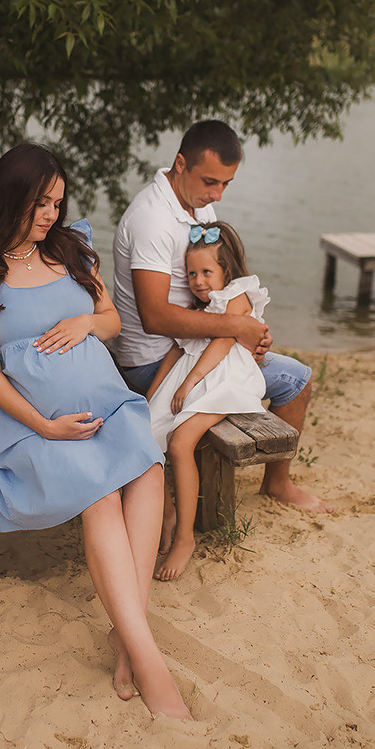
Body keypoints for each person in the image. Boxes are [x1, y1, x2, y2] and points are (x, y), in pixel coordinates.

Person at [0, 142, 190, 719]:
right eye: (39, 203)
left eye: (56, 201)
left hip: (105, 402)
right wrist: (45, 427)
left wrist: (85, 321)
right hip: (31, 422)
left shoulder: (72, 248)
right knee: (100, 494)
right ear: (11, 198)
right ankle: (148, 660)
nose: (50, 214)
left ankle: (129, 638)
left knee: (148, 471)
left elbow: (112, 321)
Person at [112, 119, 332, 551]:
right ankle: (276, 484)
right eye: (210, 181)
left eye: (226, 184)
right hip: (154, 359)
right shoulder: (152, 219)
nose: (217, 195)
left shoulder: (199, 209)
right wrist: (236, 327)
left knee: (280, 369)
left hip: (193, 346)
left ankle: (275, 484)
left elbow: (222, 286)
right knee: (298, 379)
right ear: (180, 164)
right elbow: (155, 316)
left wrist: (248, 329)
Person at [146, 221, 269, 580]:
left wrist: (190, 381)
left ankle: (185, 537)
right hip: (190, 377)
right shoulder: (197, 309)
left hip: (223, 378)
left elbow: (225, 339)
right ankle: (167, 511)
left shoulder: (238, 293)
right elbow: (175, 349)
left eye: (206, 272)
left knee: (181, 442)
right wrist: (150, 396)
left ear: (226, 269)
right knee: (146, 433)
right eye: (192, 273)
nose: (198, 280)